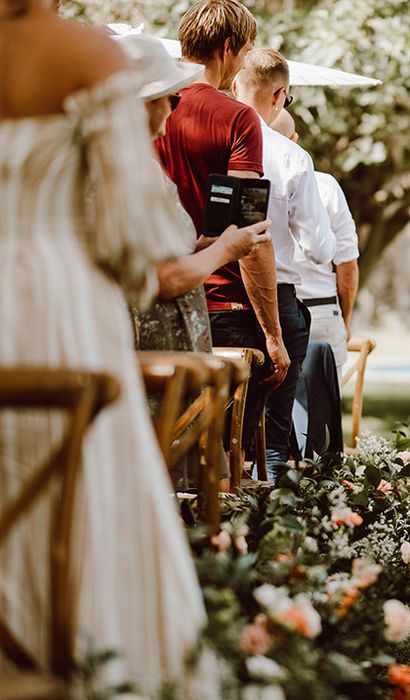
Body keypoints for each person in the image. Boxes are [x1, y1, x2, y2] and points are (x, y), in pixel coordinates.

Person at [0, 1, 206, 693]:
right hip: (58, 305)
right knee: (82, 480)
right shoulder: (88, 55)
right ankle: (84, 656)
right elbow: (135, 238)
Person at [156, 0, 292, 469]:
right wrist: (274, 335)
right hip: (223, 303)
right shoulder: (237, 118)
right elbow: (249, 233)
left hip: (143, 296)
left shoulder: (145, 106)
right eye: (246, 48)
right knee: (224, 466)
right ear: (229, 47)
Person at [117, 32, 272, 355]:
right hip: (154, 358)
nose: (175, 109)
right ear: (143, 105)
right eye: (172, 99)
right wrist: (226, 249)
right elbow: (162, 279)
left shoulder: (135, 164)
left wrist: (202, 245)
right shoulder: (128, 174)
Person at [232, 48, 336, 479]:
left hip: (215, 294)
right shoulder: (292, 157)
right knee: (272, 438)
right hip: (278, 296)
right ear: (280, 95)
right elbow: (319, 248)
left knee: (218, 433)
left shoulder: (207, 143)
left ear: (235, 87)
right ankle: (270, 535)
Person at [272, 107, 360, 382]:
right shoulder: (326, 185)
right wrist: (344, 320)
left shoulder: (244, 177)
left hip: (268, 310)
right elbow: (347, 265)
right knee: (320, 415)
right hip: (322, 311)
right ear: (294, 138)